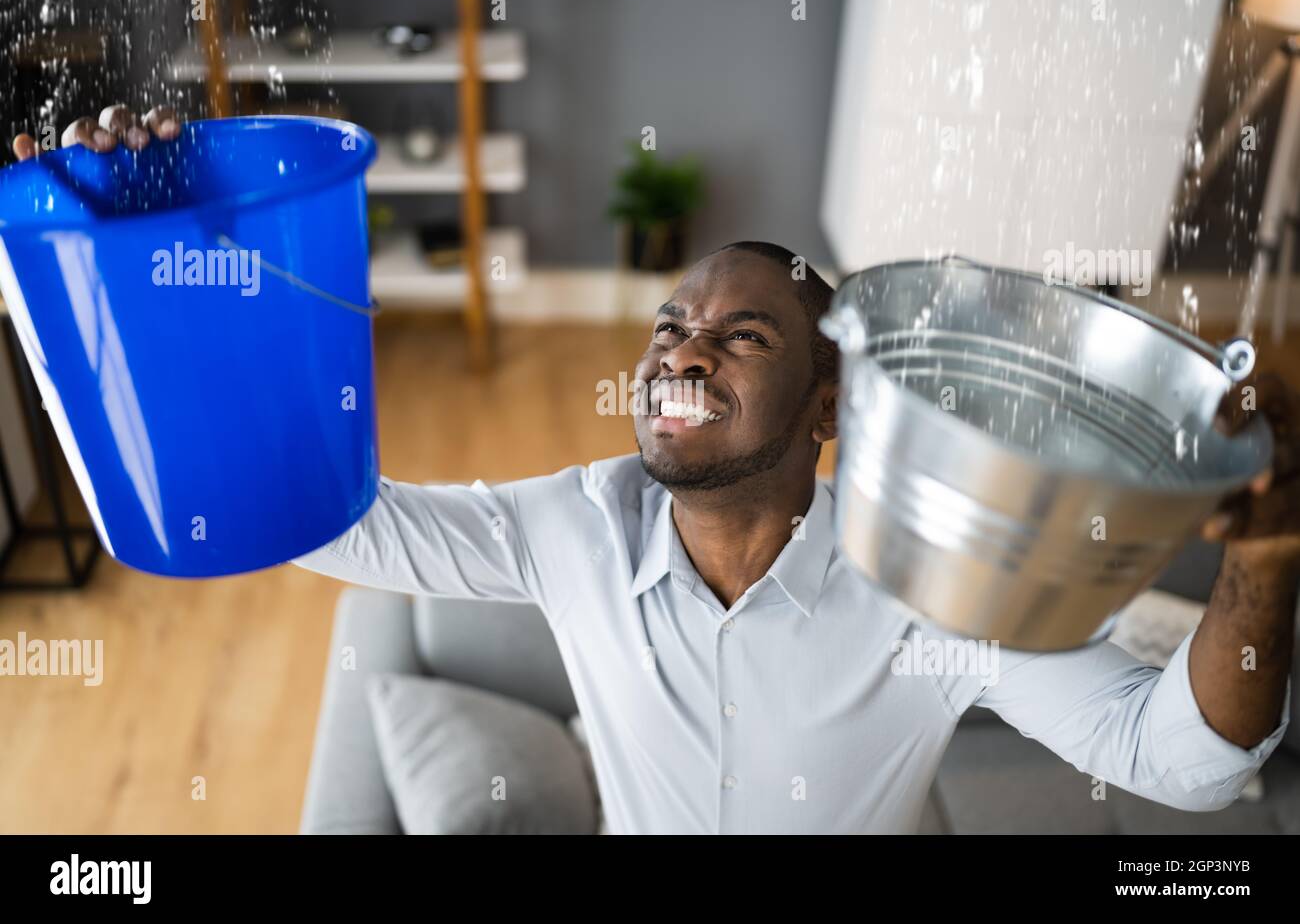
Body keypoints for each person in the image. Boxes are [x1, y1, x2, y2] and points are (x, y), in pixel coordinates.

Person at [15, 107, 1298, 834]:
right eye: (669, 329)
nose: (682, 356)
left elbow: (1187, 761)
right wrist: (164, 246)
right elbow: (321, 523)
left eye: (742, 336)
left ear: (831, 401)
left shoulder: (932, 588)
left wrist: (1266, 551)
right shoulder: (580, 521)